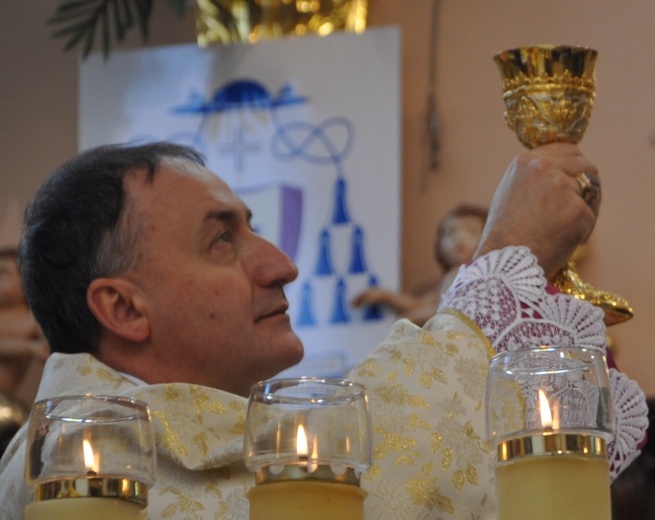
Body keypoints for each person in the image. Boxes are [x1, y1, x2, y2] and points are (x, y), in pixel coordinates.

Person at [0, 141, 647, 520]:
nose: (281, 266)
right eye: (222, 240)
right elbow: (396, 474)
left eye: (252, 227)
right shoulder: (72, 469)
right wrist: (505, 255)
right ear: (124, 309)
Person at [351, 203, 487, 326]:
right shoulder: (451, 276)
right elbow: (422, 304)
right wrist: (385, 296)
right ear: (439, 246)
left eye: (471, 231)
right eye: (450, 233)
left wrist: (407, 319)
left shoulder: (469, 274)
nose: (459, 237)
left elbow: (444, 311)